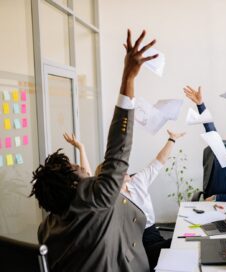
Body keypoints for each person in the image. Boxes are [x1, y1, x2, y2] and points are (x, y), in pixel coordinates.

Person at [30, 29, 158, 272]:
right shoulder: (97, 199)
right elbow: (118, 150)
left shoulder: (46, 228)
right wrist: (128, 77)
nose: (81, 167)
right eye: (75, 169)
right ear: (73, 185)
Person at [95, 129, 185, 272]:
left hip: (153, 234)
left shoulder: (137, 181)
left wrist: (172, 139)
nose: (125, 169)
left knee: (181, 244)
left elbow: (159, 161)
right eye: (119, 170)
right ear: (110, 178)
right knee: (180, 244)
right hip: (135, 246)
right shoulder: (110, 200)